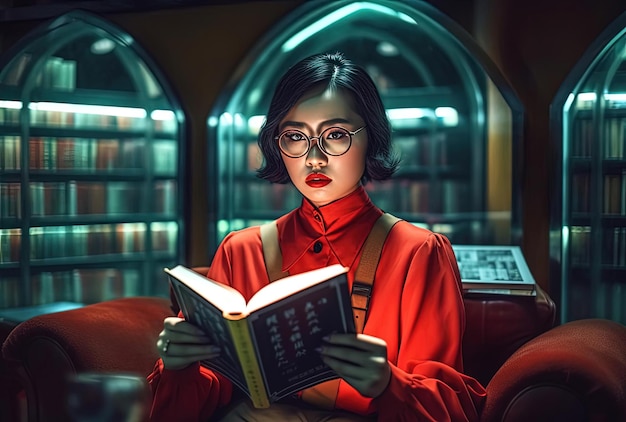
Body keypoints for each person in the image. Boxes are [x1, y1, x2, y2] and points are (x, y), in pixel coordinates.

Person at [147, 52, 486, 421]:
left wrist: (390, 383)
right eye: (295, 137)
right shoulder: (240, 250)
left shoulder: (418, 252)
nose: (314, 158)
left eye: (335, 135)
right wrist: (179, 365)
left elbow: (450, 407)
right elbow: (203, 398)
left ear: (371, 137)